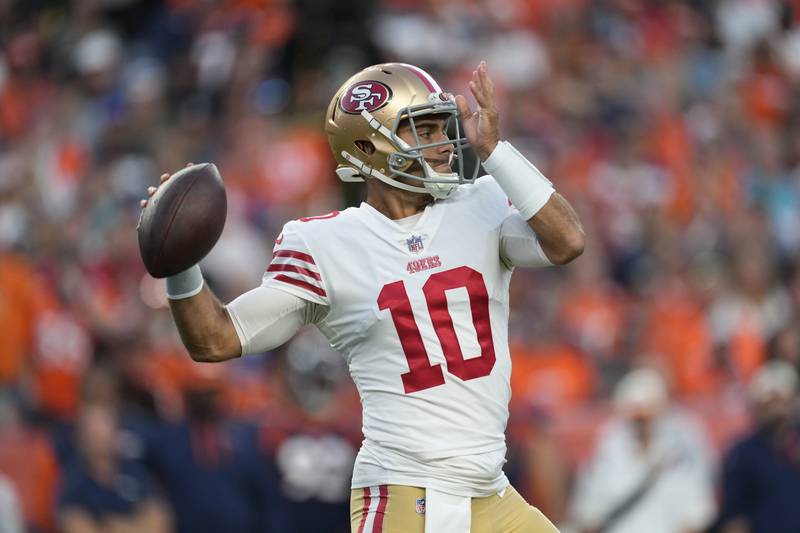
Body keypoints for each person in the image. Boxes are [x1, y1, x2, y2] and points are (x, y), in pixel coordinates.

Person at [141, 61, 584, 532]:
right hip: (404, 491)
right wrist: (180, 265)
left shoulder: (481, 203)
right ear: (369, 148)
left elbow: (568, 241)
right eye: (423, 130)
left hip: (489, 492)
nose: (444, 145)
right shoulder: (325, 245)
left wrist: (496, 151)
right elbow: (216, 339)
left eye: (440, 126)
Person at [568, 368, 716, 533]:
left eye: (646, 416)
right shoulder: (607, 450)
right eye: (635, 417)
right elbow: (587, 514)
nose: (640, 423)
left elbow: (697, 514)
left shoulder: (680, 452)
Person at [717, 361, 800, 533]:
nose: (777, 410)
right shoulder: (743, 453)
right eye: (770, 403)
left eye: (782, 401)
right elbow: (735, 518)